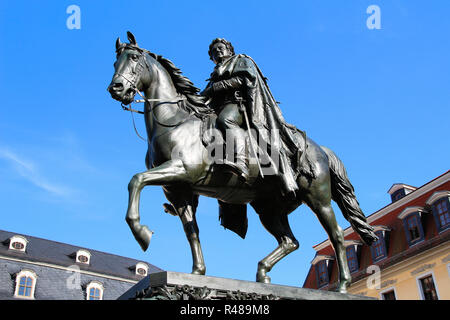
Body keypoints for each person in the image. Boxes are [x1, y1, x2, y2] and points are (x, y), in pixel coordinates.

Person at [201, 38, 308, 198]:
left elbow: (247, 79)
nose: (217, 51)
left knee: (225, 120)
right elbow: (205, 94)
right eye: (214, 51)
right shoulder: (214, 74)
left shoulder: (241, 61)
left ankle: (241, 161)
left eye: (220, 48)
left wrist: (220, 86)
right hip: (220, 107)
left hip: (239, 105)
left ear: (229, 50)